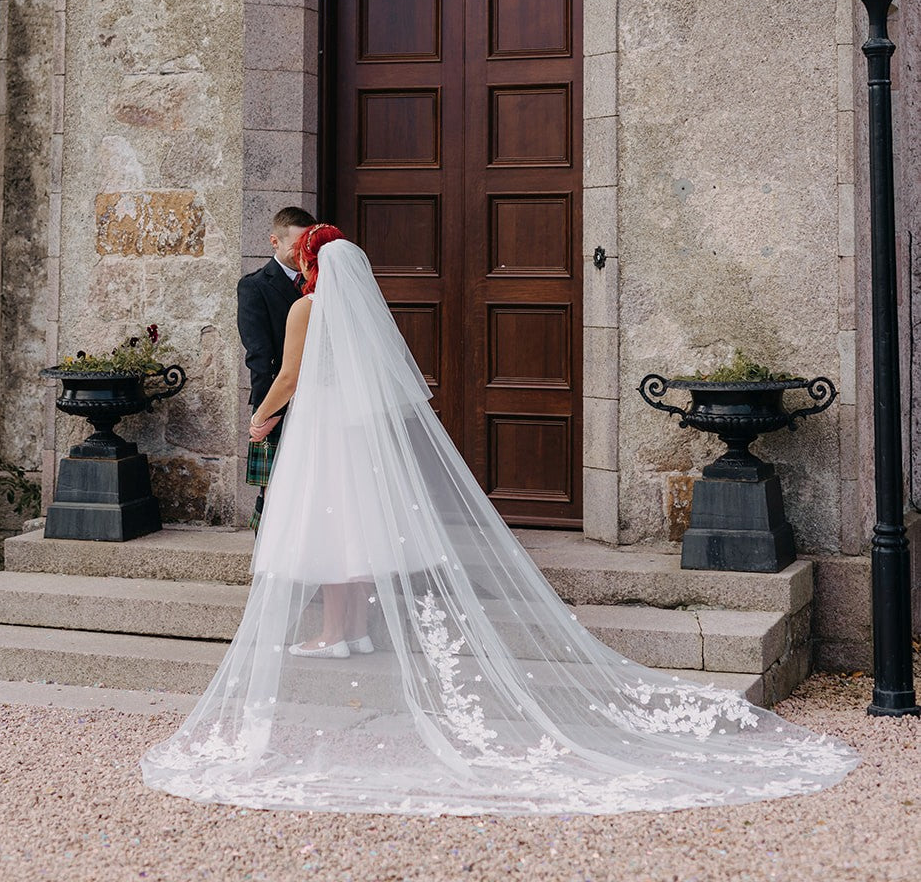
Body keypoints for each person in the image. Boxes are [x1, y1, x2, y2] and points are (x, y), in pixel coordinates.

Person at [143, 228, 855, 815]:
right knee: (356, 525)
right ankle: (350, 628)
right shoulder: (364, 313)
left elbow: (291, 377)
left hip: (322, 431)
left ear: (309, 264)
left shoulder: (305, 311)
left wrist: (261, 417)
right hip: (358, 433)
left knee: (327, 528)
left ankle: (336, 633)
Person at [236, 205, 315, 531]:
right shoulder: (255, 286)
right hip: (278, 398)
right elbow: (259, 357)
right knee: (272, 492)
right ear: (274, 241)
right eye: (295, 247)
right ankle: (268, 569)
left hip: (319, 403)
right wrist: (268, 413)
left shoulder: (324, 282)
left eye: (307, 248)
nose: (301, 255)